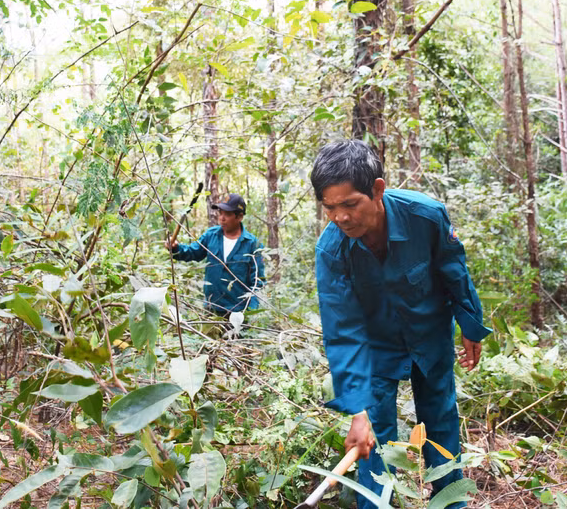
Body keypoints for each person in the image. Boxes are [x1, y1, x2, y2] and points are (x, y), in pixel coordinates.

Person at [310, 140, 491, 509]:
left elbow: (454, 269)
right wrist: (357, 412)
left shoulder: (425, 216)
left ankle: (449, 503)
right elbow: (342, 332)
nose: (340, 217)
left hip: (429, 333)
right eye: (329, 207)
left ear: (377, 190)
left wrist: (471, 323)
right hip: (375, 347)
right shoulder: (331, 251)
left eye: (349, 204)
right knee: (374, 440)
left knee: (440, 424)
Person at [166, 193, 266, 315]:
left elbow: (258, 281)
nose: (222, 218)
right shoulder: (210, 235)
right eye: (221, 213)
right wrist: (176, 248)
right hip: (211, 309)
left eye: (227, 214)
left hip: (239, 313)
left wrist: (250, 312)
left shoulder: (253, 244)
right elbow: (193, 252)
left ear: (239, 217)